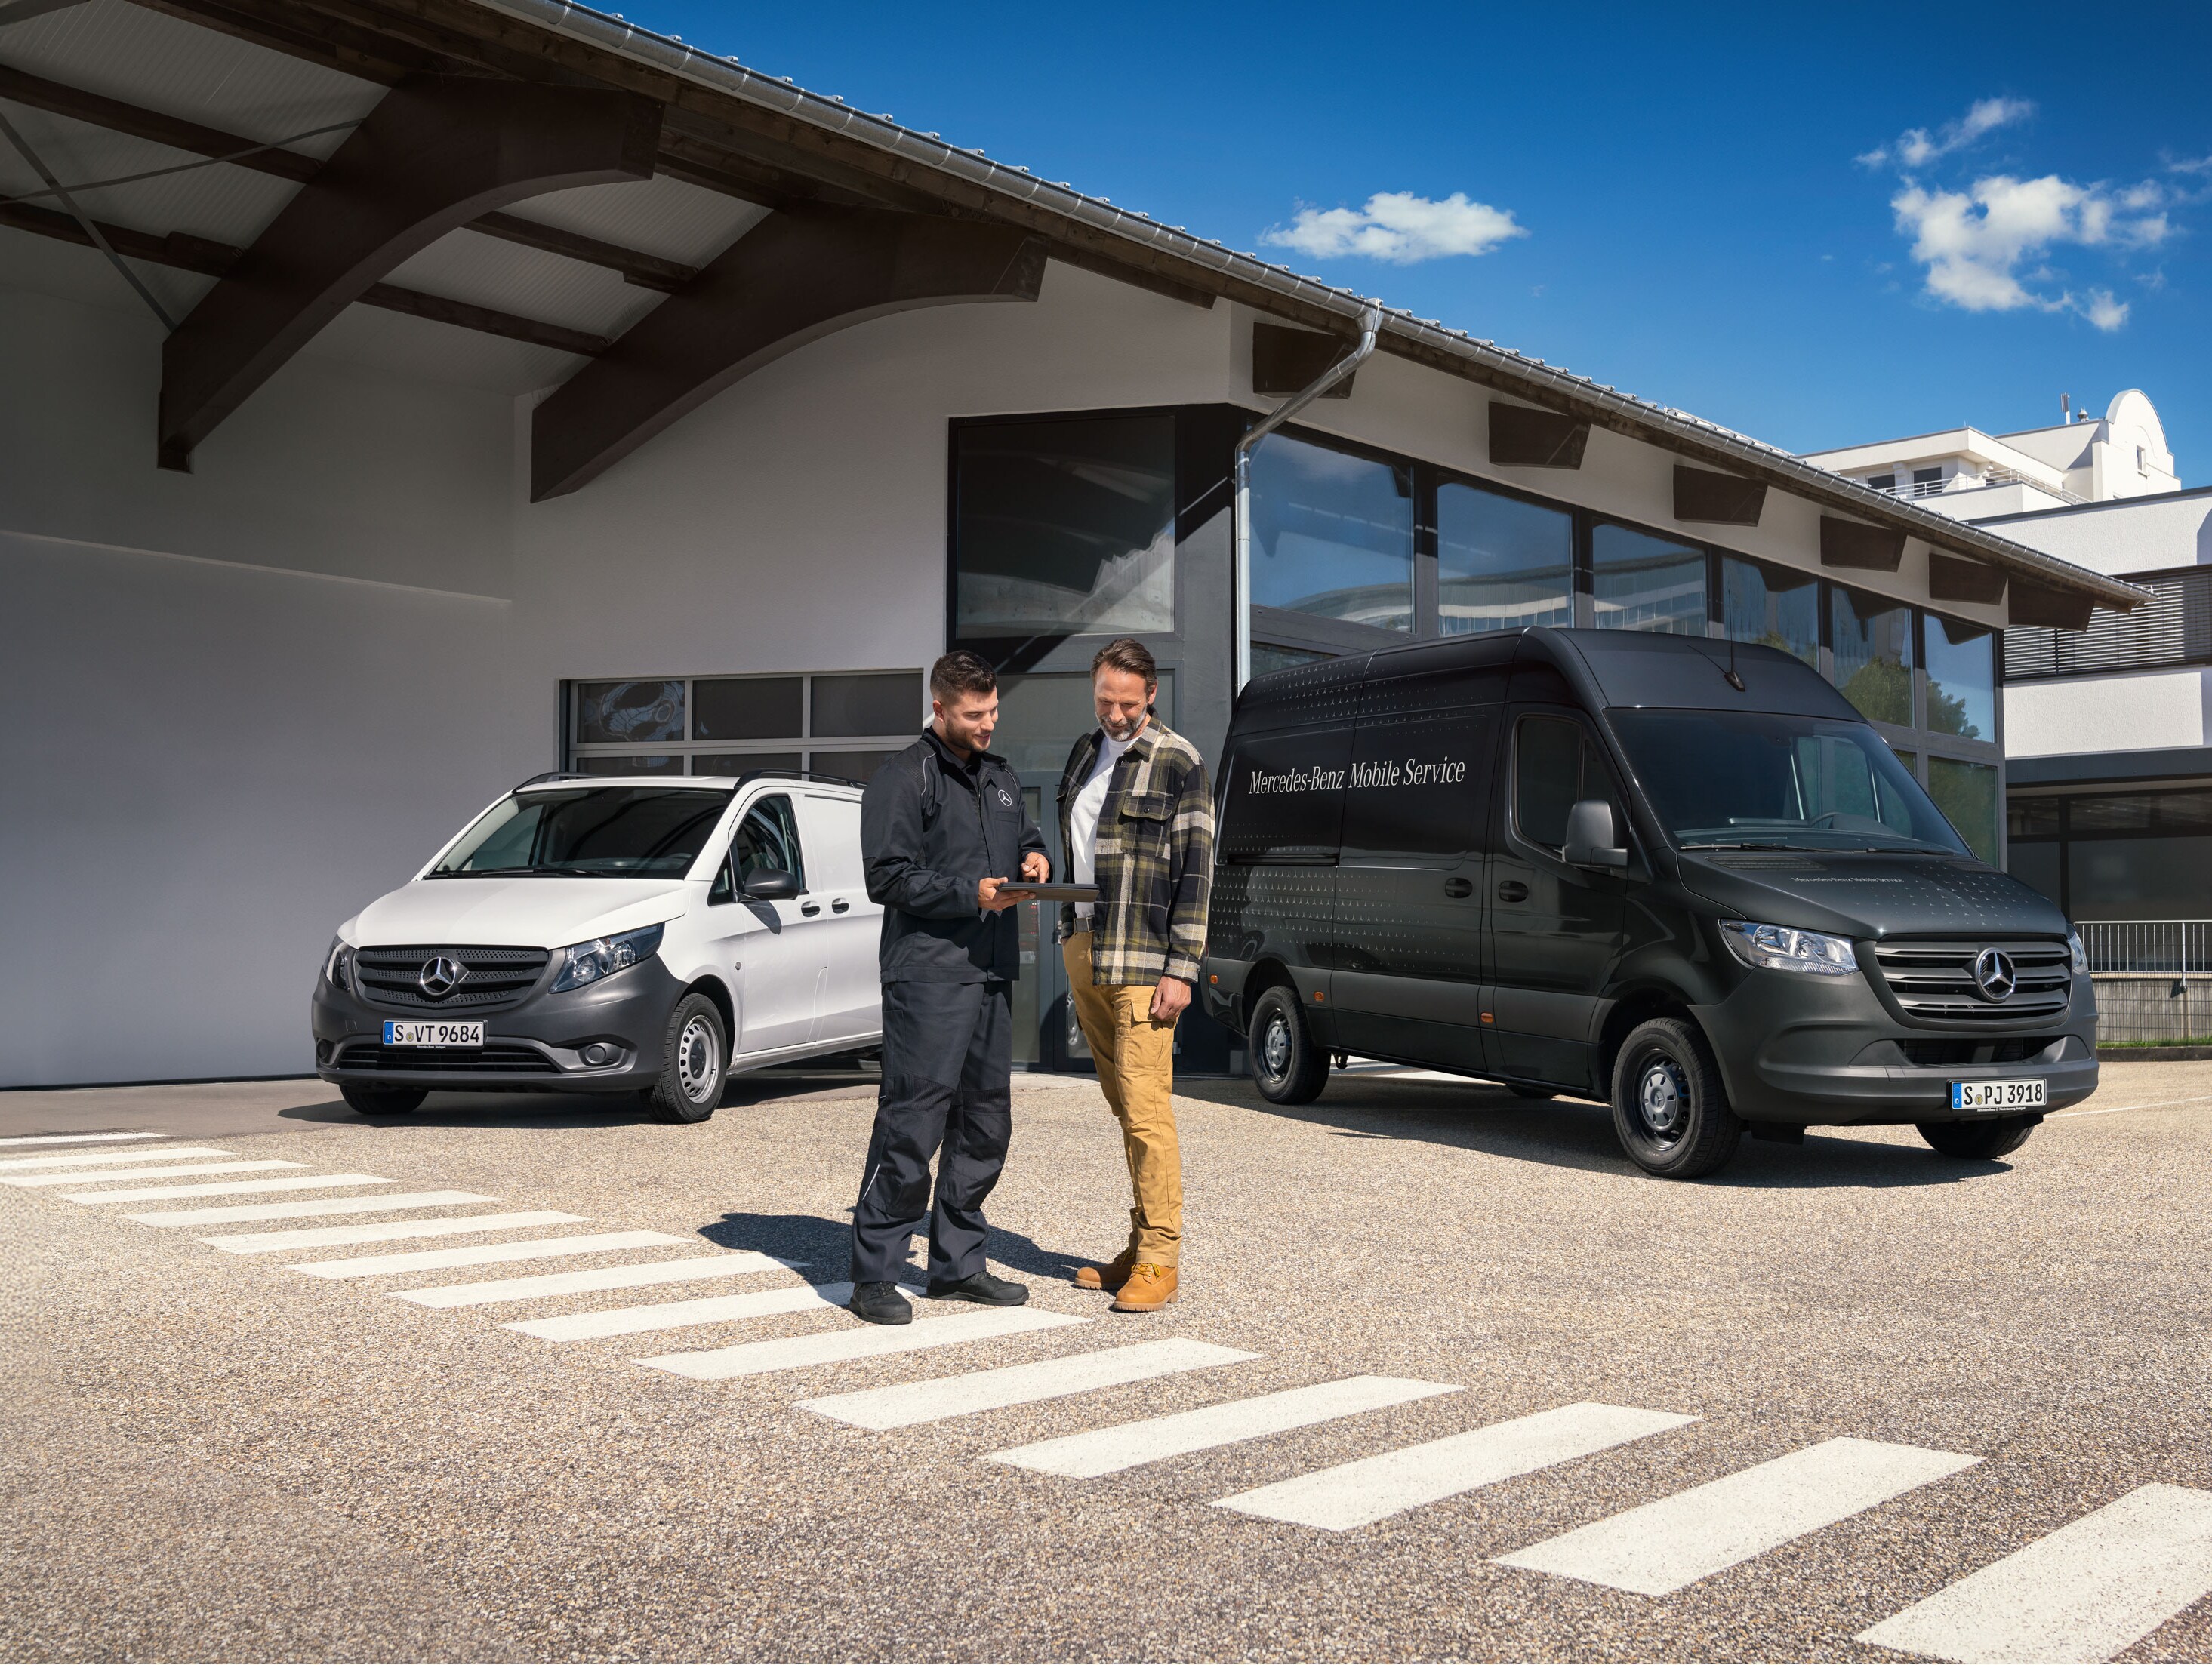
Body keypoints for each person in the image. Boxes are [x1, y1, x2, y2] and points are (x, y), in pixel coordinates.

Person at [846, 650, 1049, 1325]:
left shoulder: (1001, 777)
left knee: (985, 1123)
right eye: (974, 714)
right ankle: (875, 1273)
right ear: (939, 708)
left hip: (991, 973)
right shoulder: (904, 777)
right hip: (928, 976)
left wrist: (1036, 857)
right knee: (913, 1121)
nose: (989, 723)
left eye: (993, 711)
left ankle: (958, 1267)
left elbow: (1026, 838)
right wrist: (972, 893)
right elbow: (887, 876)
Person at [1056, 638, 1214, 1313]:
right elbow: (1075, 843)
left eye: (1126, 703)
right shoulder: (1084, 751)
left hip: (1146, 961)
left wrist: (1183, 968)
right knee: (1123, 1105)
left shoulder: (1180, 761)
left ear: (1151, 694)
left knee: (1147, 1109)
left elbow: (1197, 872)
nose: (1115, 714)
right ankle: (1138, 1241)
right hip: (1085, 947)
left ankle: (1160, 1258)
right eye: (1104, 701)